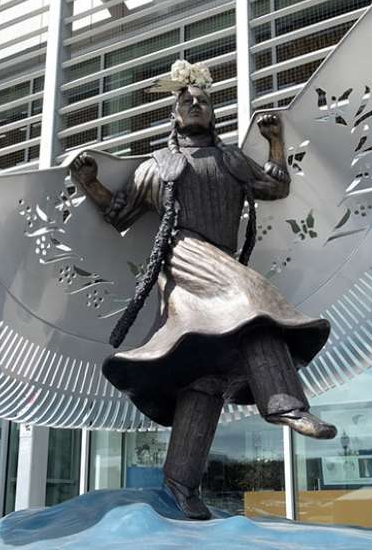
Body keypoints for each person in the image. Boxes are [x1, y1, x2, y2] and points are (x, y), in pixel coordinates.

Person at [70, 62, 336, 519]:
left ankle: (180, 485)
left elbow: (275, 185)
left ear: (213, 116)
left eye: (204, 101)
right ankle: (284, 403)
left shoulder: (232, 160)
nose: (195, 104)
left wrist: (276, 141)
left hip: (221, 261)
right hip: (184, 260)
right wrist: (89, 181)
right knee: (252, 302)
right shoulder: (159, 166)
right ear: (175, 116)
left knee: (204, 378)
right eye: (186, 101)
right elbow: (119, 214)